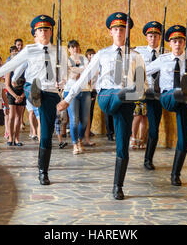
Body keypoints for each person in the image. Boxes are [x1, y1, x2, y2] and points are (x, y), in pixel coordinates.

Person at [57, 12, 147, 200]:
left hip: (126, 101)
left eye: (123, 29)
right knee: (122, 93)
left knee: (122, 144)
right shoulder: (103, 54)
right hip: (106, 95)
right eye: (116, 29)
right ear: (110, 33)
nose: (119, 32)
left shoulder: (136, 56)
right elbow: (85, 76)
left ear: (128, 31)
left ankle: (118, 186)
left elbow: (142, 82)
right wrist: (68, 98)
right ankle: (123, 93)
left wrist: (143, 92)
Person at [0, 15, 68, 185]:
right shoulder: (30, 49)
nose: (43, 32)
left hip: (51, 92)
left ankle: (42, 170)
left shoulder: (60, 51)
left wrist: (63, 82)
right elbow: (10, 65)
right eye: (40, 30)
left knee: (46, 133)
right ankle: (35, 95)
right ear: (34, 33)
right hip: (32, 87)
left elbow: (64, 74)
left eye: (46, 29)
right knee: (35, 88)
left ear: (51, 32)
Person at [146, 24, 187, 186]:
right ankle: (179, 91)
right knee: (176, 92)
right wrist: (149, 87)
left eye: (180, 41)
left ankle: (175, 175)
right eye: (174, 41)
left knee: (183, 139)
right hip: (167, 96)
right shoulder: (163, 60)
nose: (178, 44)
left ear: (184, 43)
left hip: (186, 100)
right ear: (170, 44)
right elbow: (145, 71)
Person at [136, 21, 164, 169]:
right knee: (132, 120)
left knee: (154, 127)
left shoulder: (166, 54)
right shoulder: (138, 51)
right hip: (141, 91)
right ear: (146, 37)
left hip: (156, 94)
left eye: (156, 36)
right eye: (150, 36)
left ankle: (148, 159)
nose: (153, 39)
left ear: (160, 38)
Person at [63, 40, 92, 155]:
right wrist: (81, 71)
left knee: (84, 120)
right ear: (69, 49)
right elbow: (71, 74)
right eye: (72, 47)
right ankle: (75, 143)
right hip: (70, 91)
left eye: (76, 47)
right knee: (74, 119)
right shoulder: (66, 60)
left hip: (85, 90)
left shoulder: (84, 59)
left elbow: (88, 70)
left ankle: (80, 139)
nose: (75, 49)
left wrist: (75, 70)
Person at [84, 48, 97, 145]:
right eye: (90, 55)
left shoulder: (95, 66)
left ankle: (88, 131)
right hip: (85, 90)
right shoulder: (85, 65)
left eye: (93, 54)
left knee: (90, 113)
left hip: (93, 90)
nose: (91, 56)